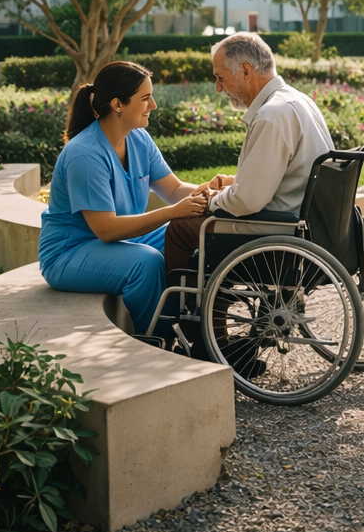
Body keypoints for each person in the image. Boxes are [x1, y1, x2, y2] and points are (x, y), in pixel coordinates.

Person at [40, 61, 211, 332]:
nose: (153, 105)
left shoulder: (139, 138)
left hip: (119, 240)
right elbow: (106, 230)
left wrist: (212, 195)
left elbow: (174, 189)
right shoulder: (85, 154)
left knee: (183, 235)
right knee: (146, 262)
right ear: (118, 104)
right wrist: (172, 211)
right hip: (70, 253)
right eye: (145, 98)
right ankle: (159, 339)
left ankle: (198, 328)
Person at [162, 32, 335, 279]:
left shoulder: (271, 115)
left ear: (245, 71)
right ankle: (210, 307)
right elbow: (288, 173)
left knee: (180, 229)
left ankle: (181, 312)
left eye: (220, 77)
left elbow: (247, 202)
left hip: (277, 231)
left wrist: (210, 200)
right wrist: (234, 182)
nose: (218, 87)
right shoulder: (299, 100)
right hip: (307, 224)